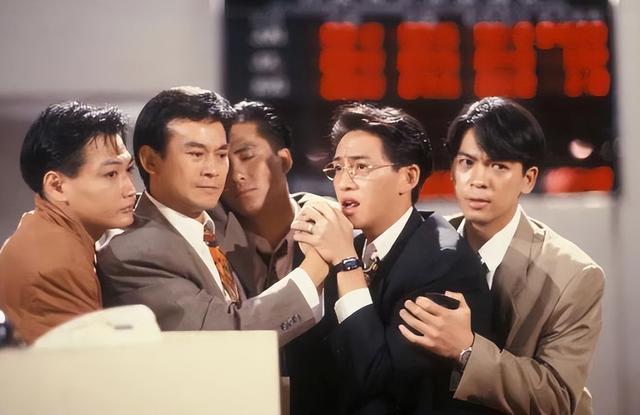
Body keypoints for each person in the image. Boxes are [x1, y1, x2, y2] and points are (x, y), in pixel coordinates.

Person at [399, 97, 605, 414]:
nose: (478, 180)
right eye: (467, 163)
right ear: (452, 170)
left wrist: (466, 349)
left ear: (528, 178)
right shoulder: (423, 243)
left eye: (498, 166)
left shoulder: (574, 275)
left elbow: (558, 398)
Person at [289, 102, 492, 414]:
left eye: (361, 167)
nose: (344, 182)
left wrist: (346, 263)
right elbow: (313, 368)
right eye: (338, 168)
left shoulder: (441, 261)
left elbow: (378, 378)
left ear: (408, 177)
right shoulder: (351, 245)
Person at [96, 87, 334, 346]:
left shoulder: (212, 218)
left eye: (221, 155)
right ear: (150, 161)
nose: (213, 170)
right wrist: (316, 265)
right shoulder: (131, 253)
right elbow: (223, 336)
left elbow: (279, 202)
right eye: (196, 154)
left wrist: (321, 208)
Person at [0, 101, 136, 344]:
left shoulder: (47, 231)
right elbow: (81, 363)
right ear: (57, 186)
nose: (130, 189)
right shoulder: (55, 265)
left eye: (129, 170)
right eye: (111, 174)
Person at [211, 100, 322, 297]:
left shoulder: (331, 231)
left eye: (247, 156)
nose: (236, 175)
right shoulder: (210, 245)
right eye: (225, 163)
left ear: (284, 160)